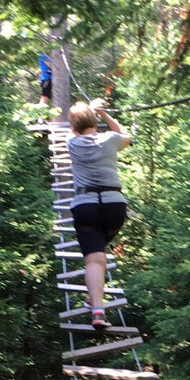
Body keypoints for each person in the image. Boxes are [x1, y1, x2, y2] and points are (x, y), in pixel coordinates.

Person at [67, 98, 131, 331]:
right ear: (94, 121)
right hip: (114, 206)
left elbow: (78, 129)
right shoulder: (110, 140)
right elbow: (125, 135)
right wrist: (103, 114)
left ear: (74, 127)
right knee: (98, 258)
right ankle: (93, 298)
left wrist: (89, 113)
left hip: (86, 207)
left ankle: (97, 309)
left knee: (94, 259)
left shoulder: (72, 143)